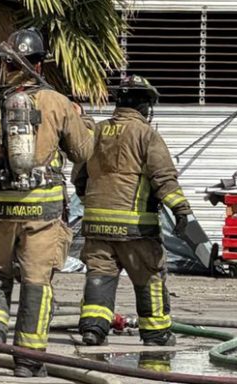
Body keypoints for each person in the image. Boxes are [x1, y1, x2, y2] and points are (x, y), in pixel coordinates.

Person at [0, 28, 95, 377]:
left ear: (6, 66)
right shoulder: (57, 103)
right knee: (36, 282)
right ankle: (28, 360)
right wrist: (83, 121)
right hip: (42, 213)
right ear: (39, 64)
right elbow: (82, 152)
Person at [74, 75, 193, 347]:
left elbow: (79, 178)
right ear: (143, 105)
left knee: (100, 275)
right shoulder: (146, 135)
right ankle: (156, 333)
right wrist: (181, 210)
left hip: (96, 226)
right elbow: (163, 178)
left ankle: (93, 329)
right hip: (135, 229)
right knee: (149, 276)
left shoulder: (96, 132)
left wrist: (93, 203)